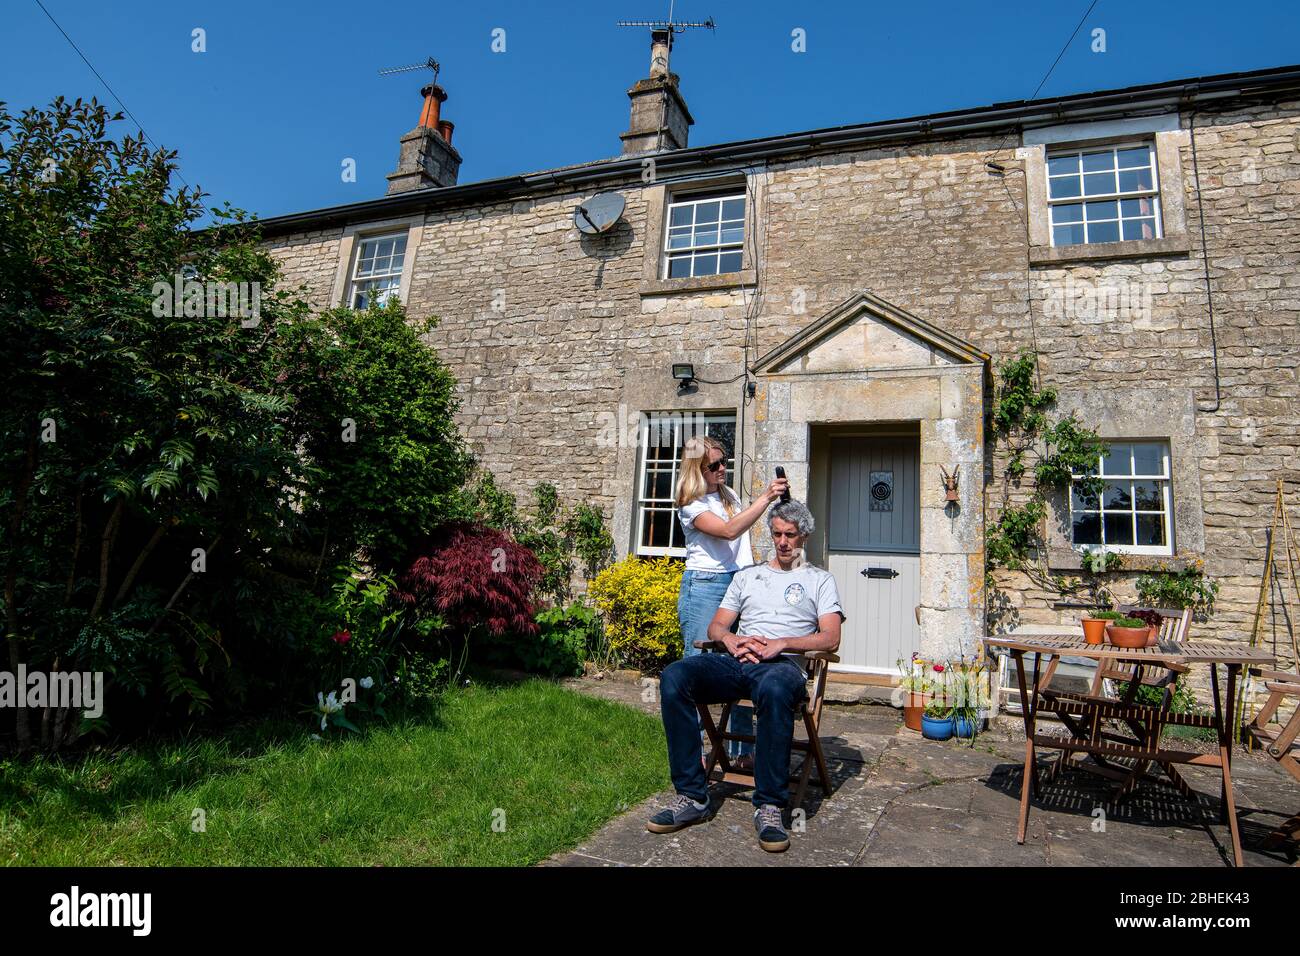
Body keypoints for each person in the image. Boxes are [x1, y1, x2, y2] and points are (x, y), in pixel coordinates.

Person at [647, 500, 843, 852]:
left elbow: (830, 637)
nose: (783, 542)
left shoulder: (819, 580)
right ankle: (693, 796)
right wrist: (730, 638)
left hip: (782, 666)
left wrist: (782, 643)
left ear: (804, 537)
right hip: (737, 661)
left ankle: (769, 806)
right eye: (777, 534)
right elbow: (717, 625)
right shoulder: (747, 575)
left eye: (790, 535)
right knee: (675, 676)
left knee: (774, 688)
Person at [674, 435, 788, 770]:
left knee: (743, 660)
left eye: (725, 461)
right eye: (715, 465)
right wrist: (766, 496)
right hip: (705, 586)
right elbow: (727, 532)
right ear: (697, 468)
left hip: (738, 583)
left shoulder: (729, 495)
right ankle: (691, 754)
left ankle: (741, 752)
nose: (723, 468)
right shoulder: (690, 502)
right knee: (696, 665)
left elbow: (742, 532)